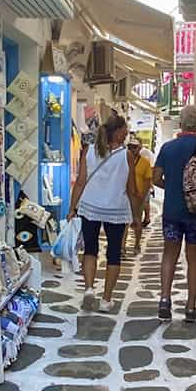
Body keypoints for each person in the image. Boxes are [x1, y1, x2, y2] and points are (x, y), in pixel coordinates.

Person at [153, 105, 196, 322]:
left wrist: (172, 186)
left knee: (169, 254)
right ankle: (190, 307)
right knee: (194, 258)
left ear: (180, 123)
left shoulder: (167, 148)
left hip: (172, 210)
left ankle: (164, 300)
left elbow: (155, 178)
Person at [69, 113, 134, 312]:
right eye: (125, 131)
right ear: (118, 132)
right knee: (114, 253)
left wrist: (72, 207)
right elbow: (131, 188)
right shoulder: (127, 155)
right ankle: (106, 300)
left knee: (90, 249)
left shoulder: (89, 151)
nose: (126, 134)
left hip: (90, 206)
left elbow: (80, 182)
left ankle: (89, 289)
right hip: (116, 207)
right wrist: (137, 211)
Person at [126, 136, 153, 255]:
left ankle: (137, 244)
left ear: (139, 148)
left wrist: (142, 195)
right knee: (125, 222)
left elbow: (148, 179)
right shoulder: (124, 160)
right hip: (126, 195)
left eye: (134, 147)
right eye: (130, 147)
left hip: (139, 195)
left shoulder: (145, 162)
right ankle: (122, 247)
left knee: (137, 220)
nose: (132, 149)